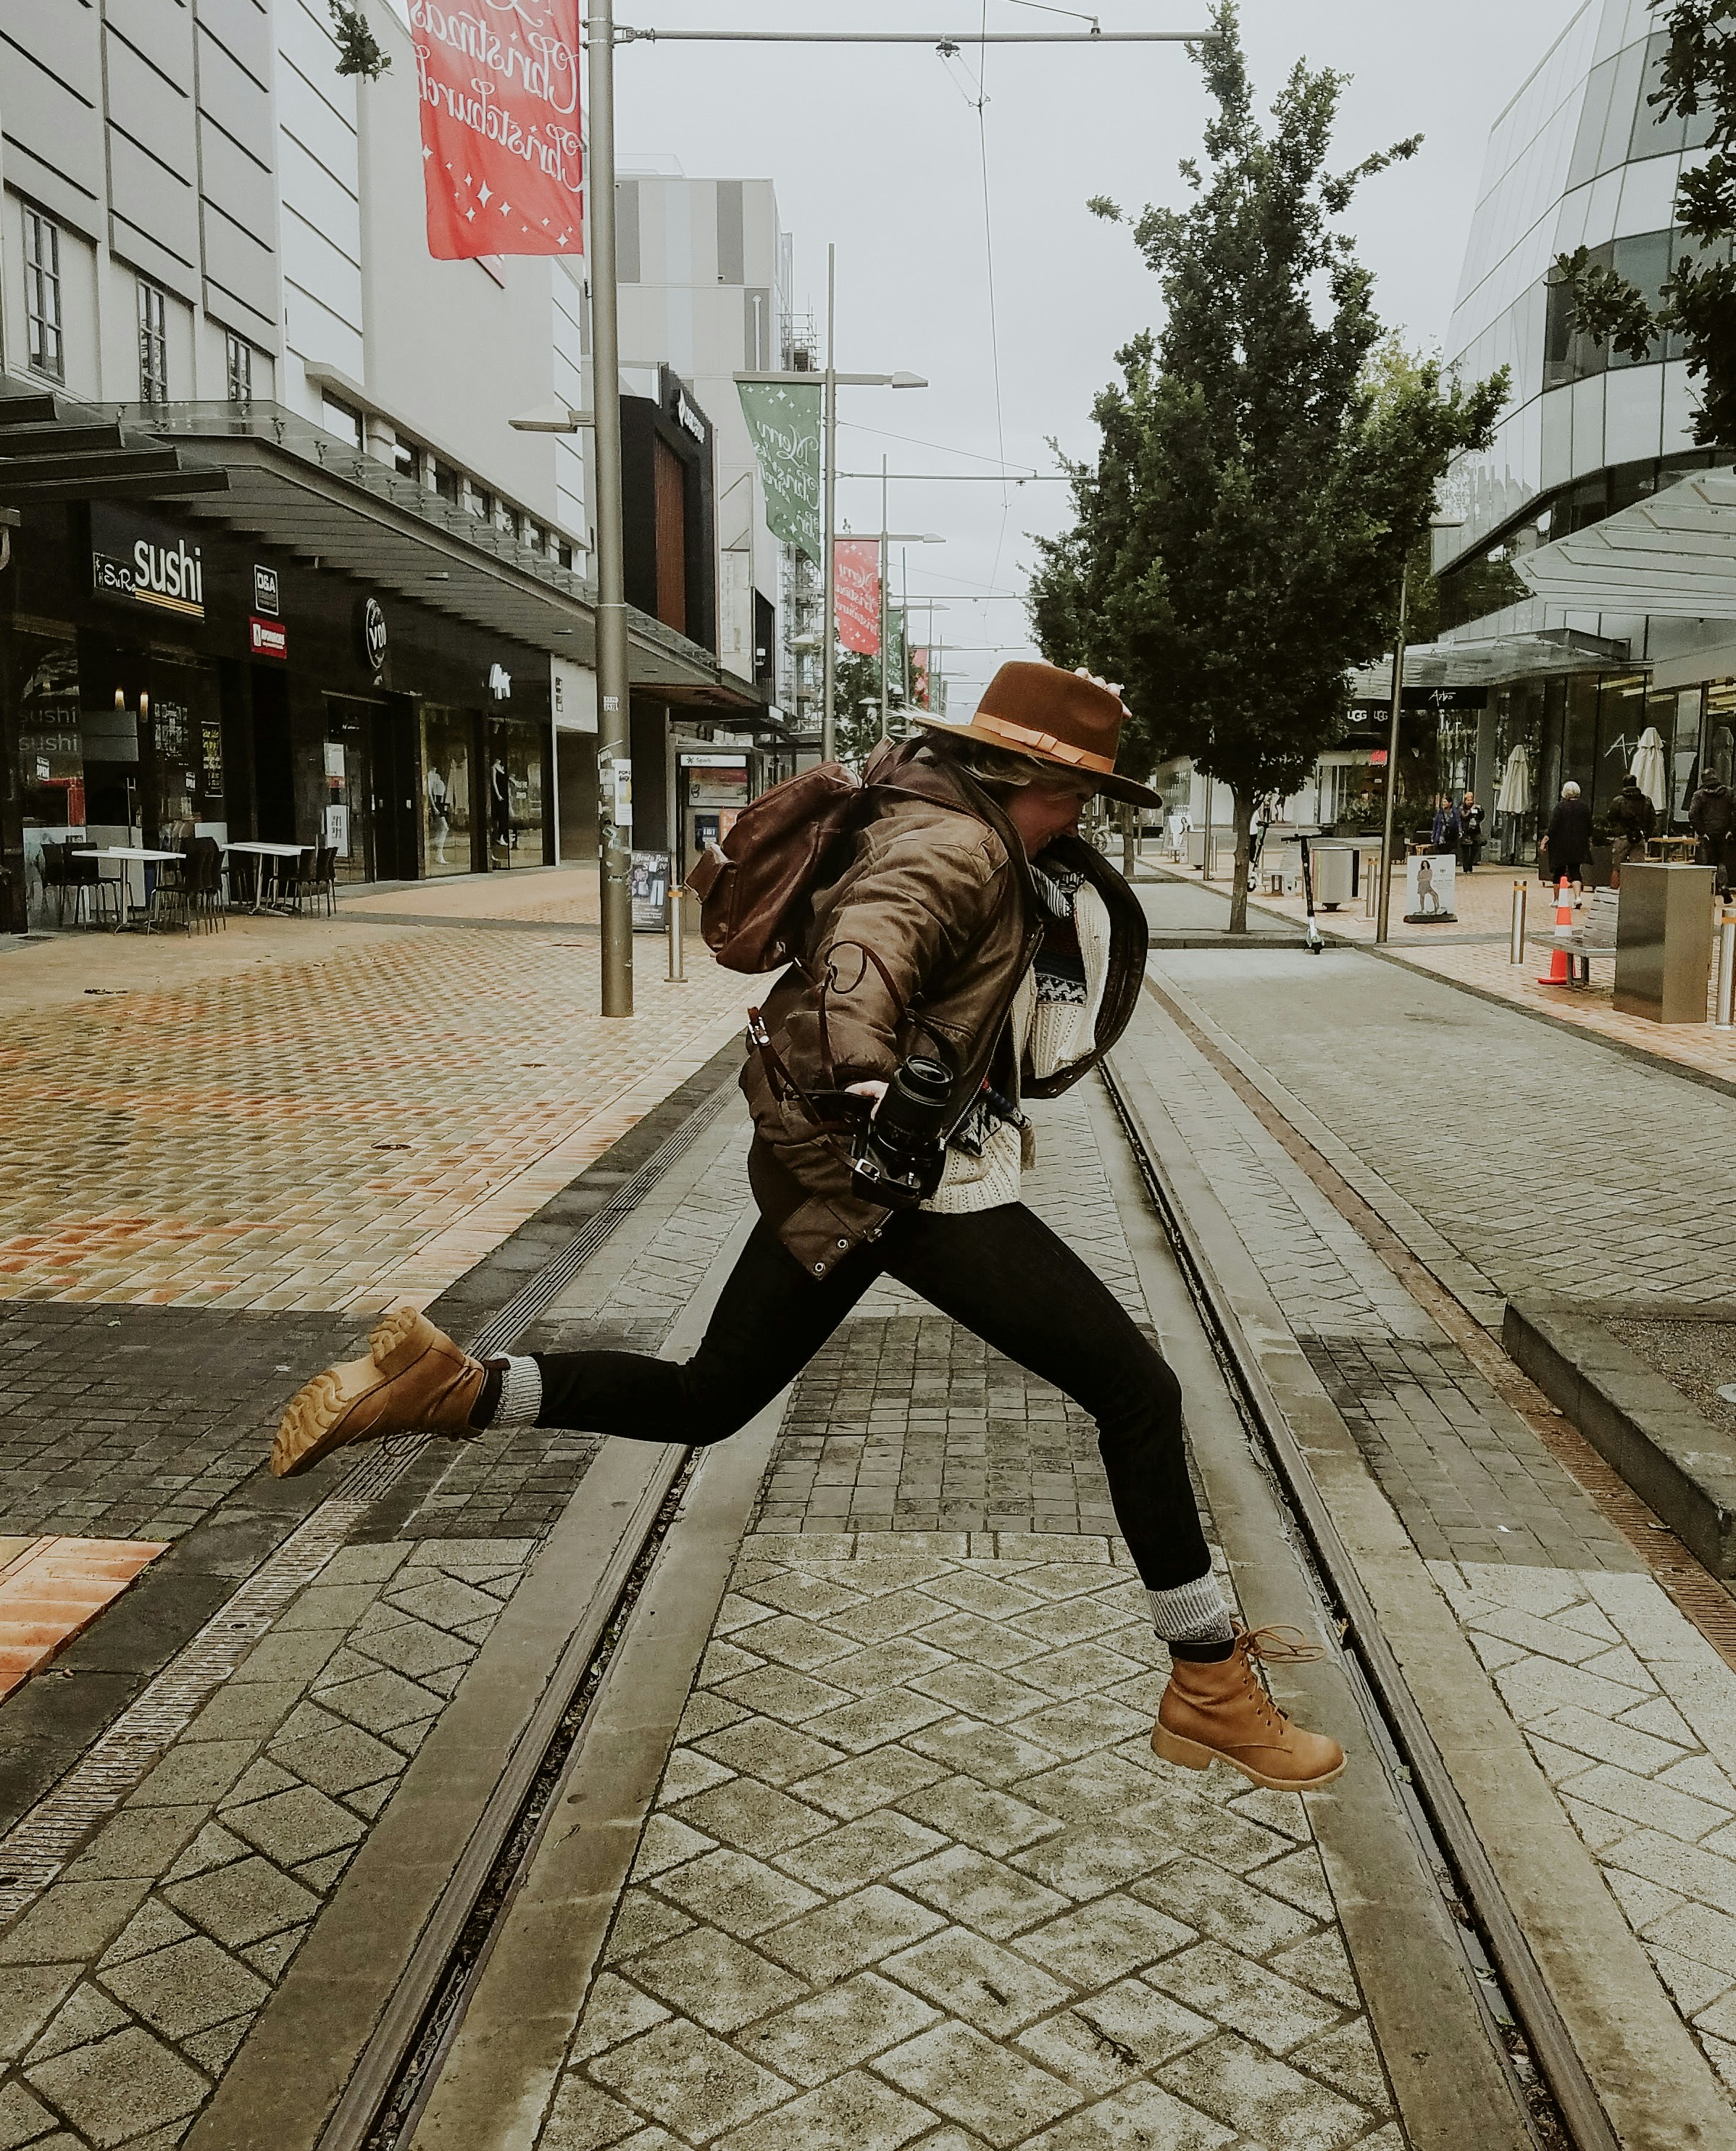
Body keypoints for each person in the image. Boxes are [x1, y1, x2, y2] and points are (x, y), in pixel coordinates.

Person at [268, 664, 1345, 1793]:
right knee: (1138, 1392)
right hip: (907, 1183)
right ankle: (1208, 1682)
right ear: (1028, 777)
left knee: (710, 1395)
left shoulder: (936, 816)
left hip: (839, 1174)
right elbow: (865, 954)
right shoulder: (960, 849)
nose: (1079, 818)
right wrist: (873, 1080)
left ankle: (452, 1388)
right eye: (1076, 795)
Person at [1690, 766, 1735, 898]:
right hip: (1724, 832)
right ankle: (1724, 886)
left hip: (1707, 834)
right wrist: (1731, 830)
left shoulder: (1699, 795)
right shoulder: (1728, 792)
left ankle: (1709, 891)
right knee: (1721, 861)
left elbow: (1693, 815)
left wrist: (1702, 832)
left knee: (1707, 863)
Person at [1545, 780, 1593, 892]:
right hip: (1578, 844)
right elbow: (1589, 827)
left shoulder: (1560, 807)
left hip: (1561, 845)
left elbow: (1553, 826)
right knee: (1575, 871)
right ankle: (1578, 897)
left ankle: (1556, 898)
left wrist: (1546, 838)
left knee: (1559, 872)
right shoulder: (1584, 808)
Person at [1608, 772, 1656, 880]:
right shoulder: (1646, 800)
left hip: (1622, 836)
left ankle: (1615, 886)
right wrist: (1647, 834)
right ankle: (1635, 886)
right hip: (1639, 836)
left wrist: (1616, 832)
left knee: (1617, 866)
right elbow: (1652, 819)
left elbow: (1611, 818)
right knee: (1637, 867)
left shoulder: (1618, 801)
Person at [1458, 790, 1484, 876]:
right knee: (1465, 851)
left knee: (1474, 850)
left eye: (1471, 800)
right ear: (1465, 800)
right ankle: (1465, 867)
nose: (1470, 802)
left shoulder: (1476, 808)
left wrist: (1481, 810)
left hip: (1475, 831)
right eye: (1468, 800)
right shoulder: (1462, 808)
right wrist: (1471, 810)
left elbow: (1481, 817)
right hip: (1466, 832)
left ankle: (1470, 865)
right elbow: (1464, 816)